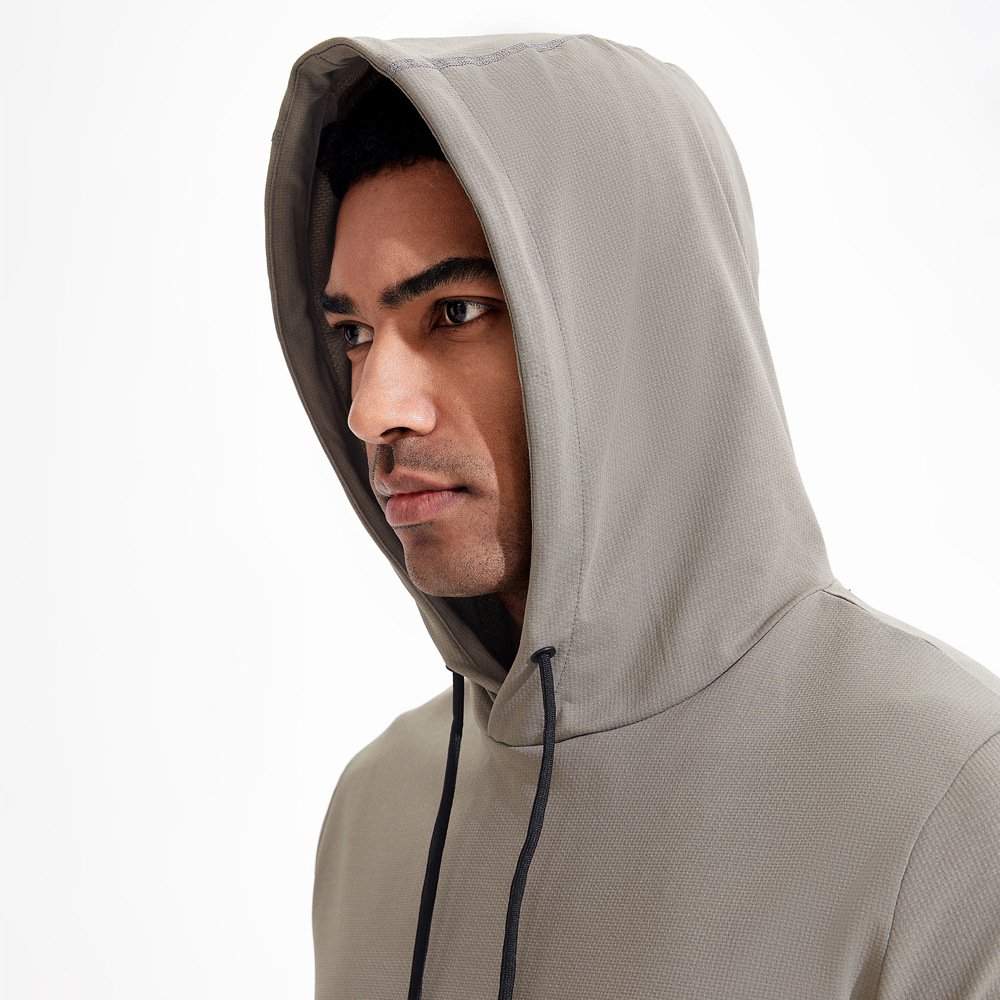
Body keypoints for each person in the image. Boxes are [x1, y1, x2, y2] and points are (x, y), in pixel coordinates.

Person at [264, 32, 1000, 1000]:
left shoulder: (951, 799)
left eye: (455, 312)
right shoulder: (383, 808)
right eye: (355, 333)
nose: (372, 408)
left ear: (629, 323)